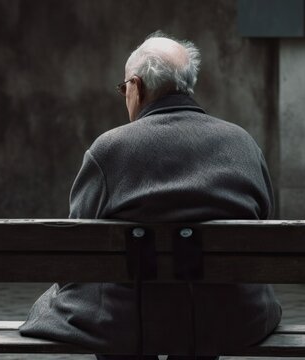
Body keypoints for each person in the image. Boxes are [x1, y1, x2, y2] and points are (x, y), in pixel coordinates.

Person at [20, 31, 281, 359]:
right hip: (232, 320)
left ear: (136, 86)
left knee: (78, 303)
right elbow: (264, 224)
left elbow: (78, 252)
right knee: (200, 309)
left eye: (123, 89)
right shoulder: (242, 143)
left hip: (129, 324)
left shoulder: (110, 149)